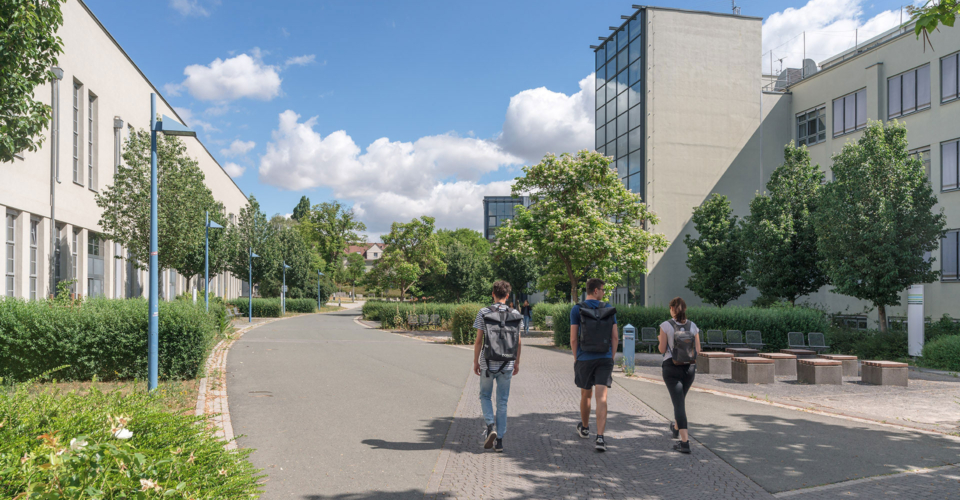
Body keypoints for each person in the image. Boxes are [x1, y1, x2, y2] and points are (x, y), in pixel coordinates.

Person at [473, 280, 523, 453]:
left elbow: (479, 340)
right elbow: (518, 342)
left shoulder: (484, 312)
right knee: (502, 401)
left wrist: (476, 361)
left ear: (492, 294)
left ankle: (490, 426)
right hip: (507, 364)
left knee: (485, 396)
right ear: (508, 296)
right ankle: (499, 440)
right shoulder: (515, 313)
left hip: (488, 363)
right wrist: (516, 362)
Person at [570, 278, 618, 452]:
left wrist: (577, 358)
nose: (604, 293)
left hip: (585, 358)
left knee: (586, 394)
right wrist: (610, 357)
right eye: (603, 290)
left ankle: (584, 428)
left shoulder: (577, 309)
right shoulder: (609, 310)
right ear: (596, 291)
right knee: (602, 397)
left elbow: (573, 338)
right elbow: (615, 338)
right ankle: (600, 438)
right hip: (604, 358)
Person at [658, 297, 701, 454]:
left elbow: (662, 350)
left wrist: (659, 340)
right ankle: (676, 427)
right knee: (680, 400)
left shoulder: (665, 326)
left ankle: (684, 443)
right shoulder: (693, 326)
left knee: (679, 404)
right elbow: (698, 350)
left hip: (671, 367)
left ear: (672, 309)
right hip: (689, 368)